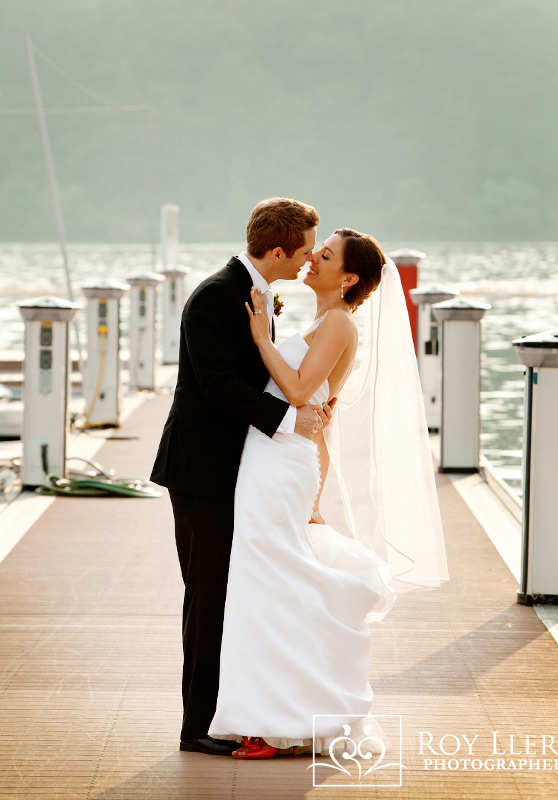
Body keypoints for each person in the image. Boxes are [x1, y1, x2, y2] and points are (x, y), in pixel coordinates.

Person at [207, 228, 449, 759]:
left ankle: (276, 717)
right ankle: (275, 713)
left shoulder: (339, 323)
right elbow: (320, 413)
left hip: (279, 463)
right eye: (317, 250)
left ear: (350, 277)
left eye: (327, 254)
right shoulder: (323, 320)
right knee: (263, 581)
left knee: (269, 581)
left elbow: (298, 394)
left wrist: (263, 340)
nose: (313, 257)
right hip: (270, 459)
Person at [150, 197, 335, 756]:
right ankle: (195, 727)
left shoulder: (254, 294)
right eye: (303, 250)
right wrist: (290, 418)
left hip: (238, 468)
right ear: (276, 250)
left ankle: (227, 709)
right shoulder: (214, 296)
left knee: (230, 593)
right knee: (207, 595)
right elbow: (215, 386)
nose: (307, 260)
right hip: (201, 469)